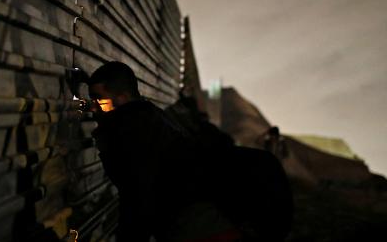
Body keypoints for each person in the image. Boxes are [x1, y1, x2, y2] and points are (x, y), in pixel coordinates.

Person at [88, 61, 293, 242]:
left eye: (101, 102)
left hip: (204, 227)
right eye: (91, 103)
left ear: (122, 99)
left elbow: (138, 197)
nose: (94, 109)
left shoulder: (133, 131)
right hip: (218, 221)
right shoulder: (152, 118)